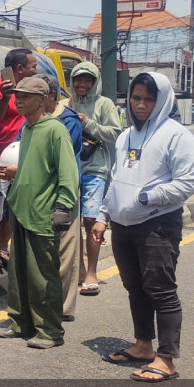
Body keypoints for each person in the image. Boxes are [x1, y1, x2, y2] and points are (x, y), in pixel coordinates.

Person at [93, 73, 194, 382]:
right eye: (136, 98)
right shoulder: (126, 136)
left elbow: (188, 182)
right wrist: (103, 216)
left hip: (157, 225)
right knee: (135, 288)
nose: (140, 105)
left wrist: (147, 196)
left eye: (148, 99)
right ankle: (142, 345)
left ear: (161, 100)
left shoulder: (176, 135)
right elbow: (114, 178)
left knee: (161, 291)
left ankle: (166, 359)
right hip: (123, 225)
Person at [0, 77, 78, 349]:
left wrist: (62, 207)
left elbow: (68, 174)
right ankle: (20, 323)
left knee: (44, 276)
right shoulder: (27, 129)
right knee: (19, 274)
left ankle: (50, 331)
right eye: (18, 96)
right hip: (20, 208)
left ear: (42, 100)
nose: (19, 100)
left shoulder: (55, 130)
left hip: (42, 212)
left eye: (26, 96)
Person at [63, 63, 122, 296]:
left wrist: (87, 122)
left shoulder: (104, 104)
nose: (82, 84)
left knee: (90, 221)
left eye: (88, 80)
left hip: (96, 170)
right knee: (69, 222)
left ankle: (92, 273)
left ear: (95, 82)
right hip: (69, 169)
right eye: (78, 80)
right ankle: (78, 270)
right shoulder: (67, 103)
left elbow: (116, 134)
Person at [0, 48, 38, 267]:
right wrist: (6, 96)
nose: (36, 70)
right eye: (33, 66)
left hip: (19, 160)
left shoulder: (28, 90)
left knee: (12, 205)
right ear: (19, 68)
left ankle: (2, 246)